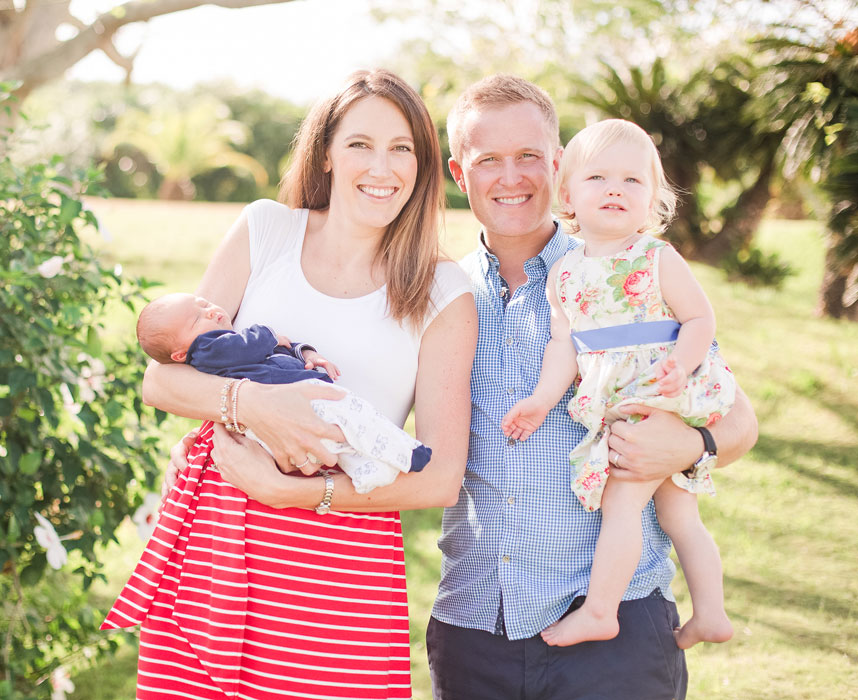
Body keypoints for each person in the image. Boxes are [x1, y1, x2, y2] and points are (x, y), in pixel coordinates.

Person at [102, 69, 477, 700]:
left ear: (423, 164)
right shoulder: (266, 229)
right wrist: (253, 404)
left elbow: (440, 477)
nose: (381, 166)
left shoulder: (443, 291)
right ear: (327, 152)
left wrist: (292, 492)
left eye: (402, 147)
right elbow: (161, 379)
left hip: (338, 563)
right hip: (215, 540)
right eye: (360, 143)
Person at [426, 74, 758, 700]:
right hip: (474, 625)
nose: (512, 177)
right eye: (488, 160)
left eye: (529, 156)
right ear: (459, 173)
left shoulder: (626, 267)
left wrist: (687, 448)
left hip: (617, 630)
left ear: (557, 165)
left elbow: (739, 421)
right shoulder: (439, 295)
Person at [500, 118, 735, 649]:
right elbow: (564, 346)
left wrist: (682, 363)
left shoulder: (656, 257)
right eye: (598, 178)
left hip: (657, 394)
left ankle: (600, 610)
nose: (614, 189)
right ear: (567, 193)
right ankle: (711, 614)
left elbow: (700, 318)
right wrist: (541, 400)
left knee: (623, 503)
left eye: (632, 181)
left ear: (653, 197)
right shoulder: (563, 272)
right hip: (623, 397)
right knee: (679, 513)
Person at [134, 291, 433, 493]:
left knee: (336, 443)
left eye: (203, 303)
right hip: (295, 398)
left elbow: (280, 349)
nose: (210, 312)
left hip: (296, 394)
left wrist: (307, 354)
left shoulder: (227, 343)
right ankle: (403, 450)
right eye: (196, 319)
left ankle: (366, 470)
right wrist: (268, 334)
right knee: (352, 412)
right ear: (179, 354)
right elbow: (251, 346)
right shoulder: (207, 351)